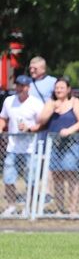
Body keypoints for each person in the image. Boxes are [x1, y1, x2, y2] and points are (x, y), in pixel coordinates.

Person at [38, 77, 79, 214]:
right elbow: (41, 120)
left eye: (62, 87)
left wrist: (69, 131)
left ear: (68, 89)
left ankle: (73, 209)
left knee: (71, 174)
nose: (58, 90)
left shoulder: (75, 102)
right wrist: (51, 108)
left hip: (71, 144)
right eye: (57, 88)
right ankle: (59, 208)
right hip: (54, 144)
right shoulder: (51, 103)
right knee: (57, 177)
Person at [0, 75, 44, 216]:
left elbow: (42, 123)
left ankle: (28, 207)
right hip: (12, 147)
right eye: (18, 85)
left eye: (23, 86)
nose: (20, 88)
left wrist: (30, 128)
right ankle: (11, 206)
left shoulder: (36, 103)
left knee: (30, 179)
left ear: (28, 87)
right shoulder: (9, 101)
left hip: (31, 148)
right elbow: (3, 117)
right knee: (8, 177)